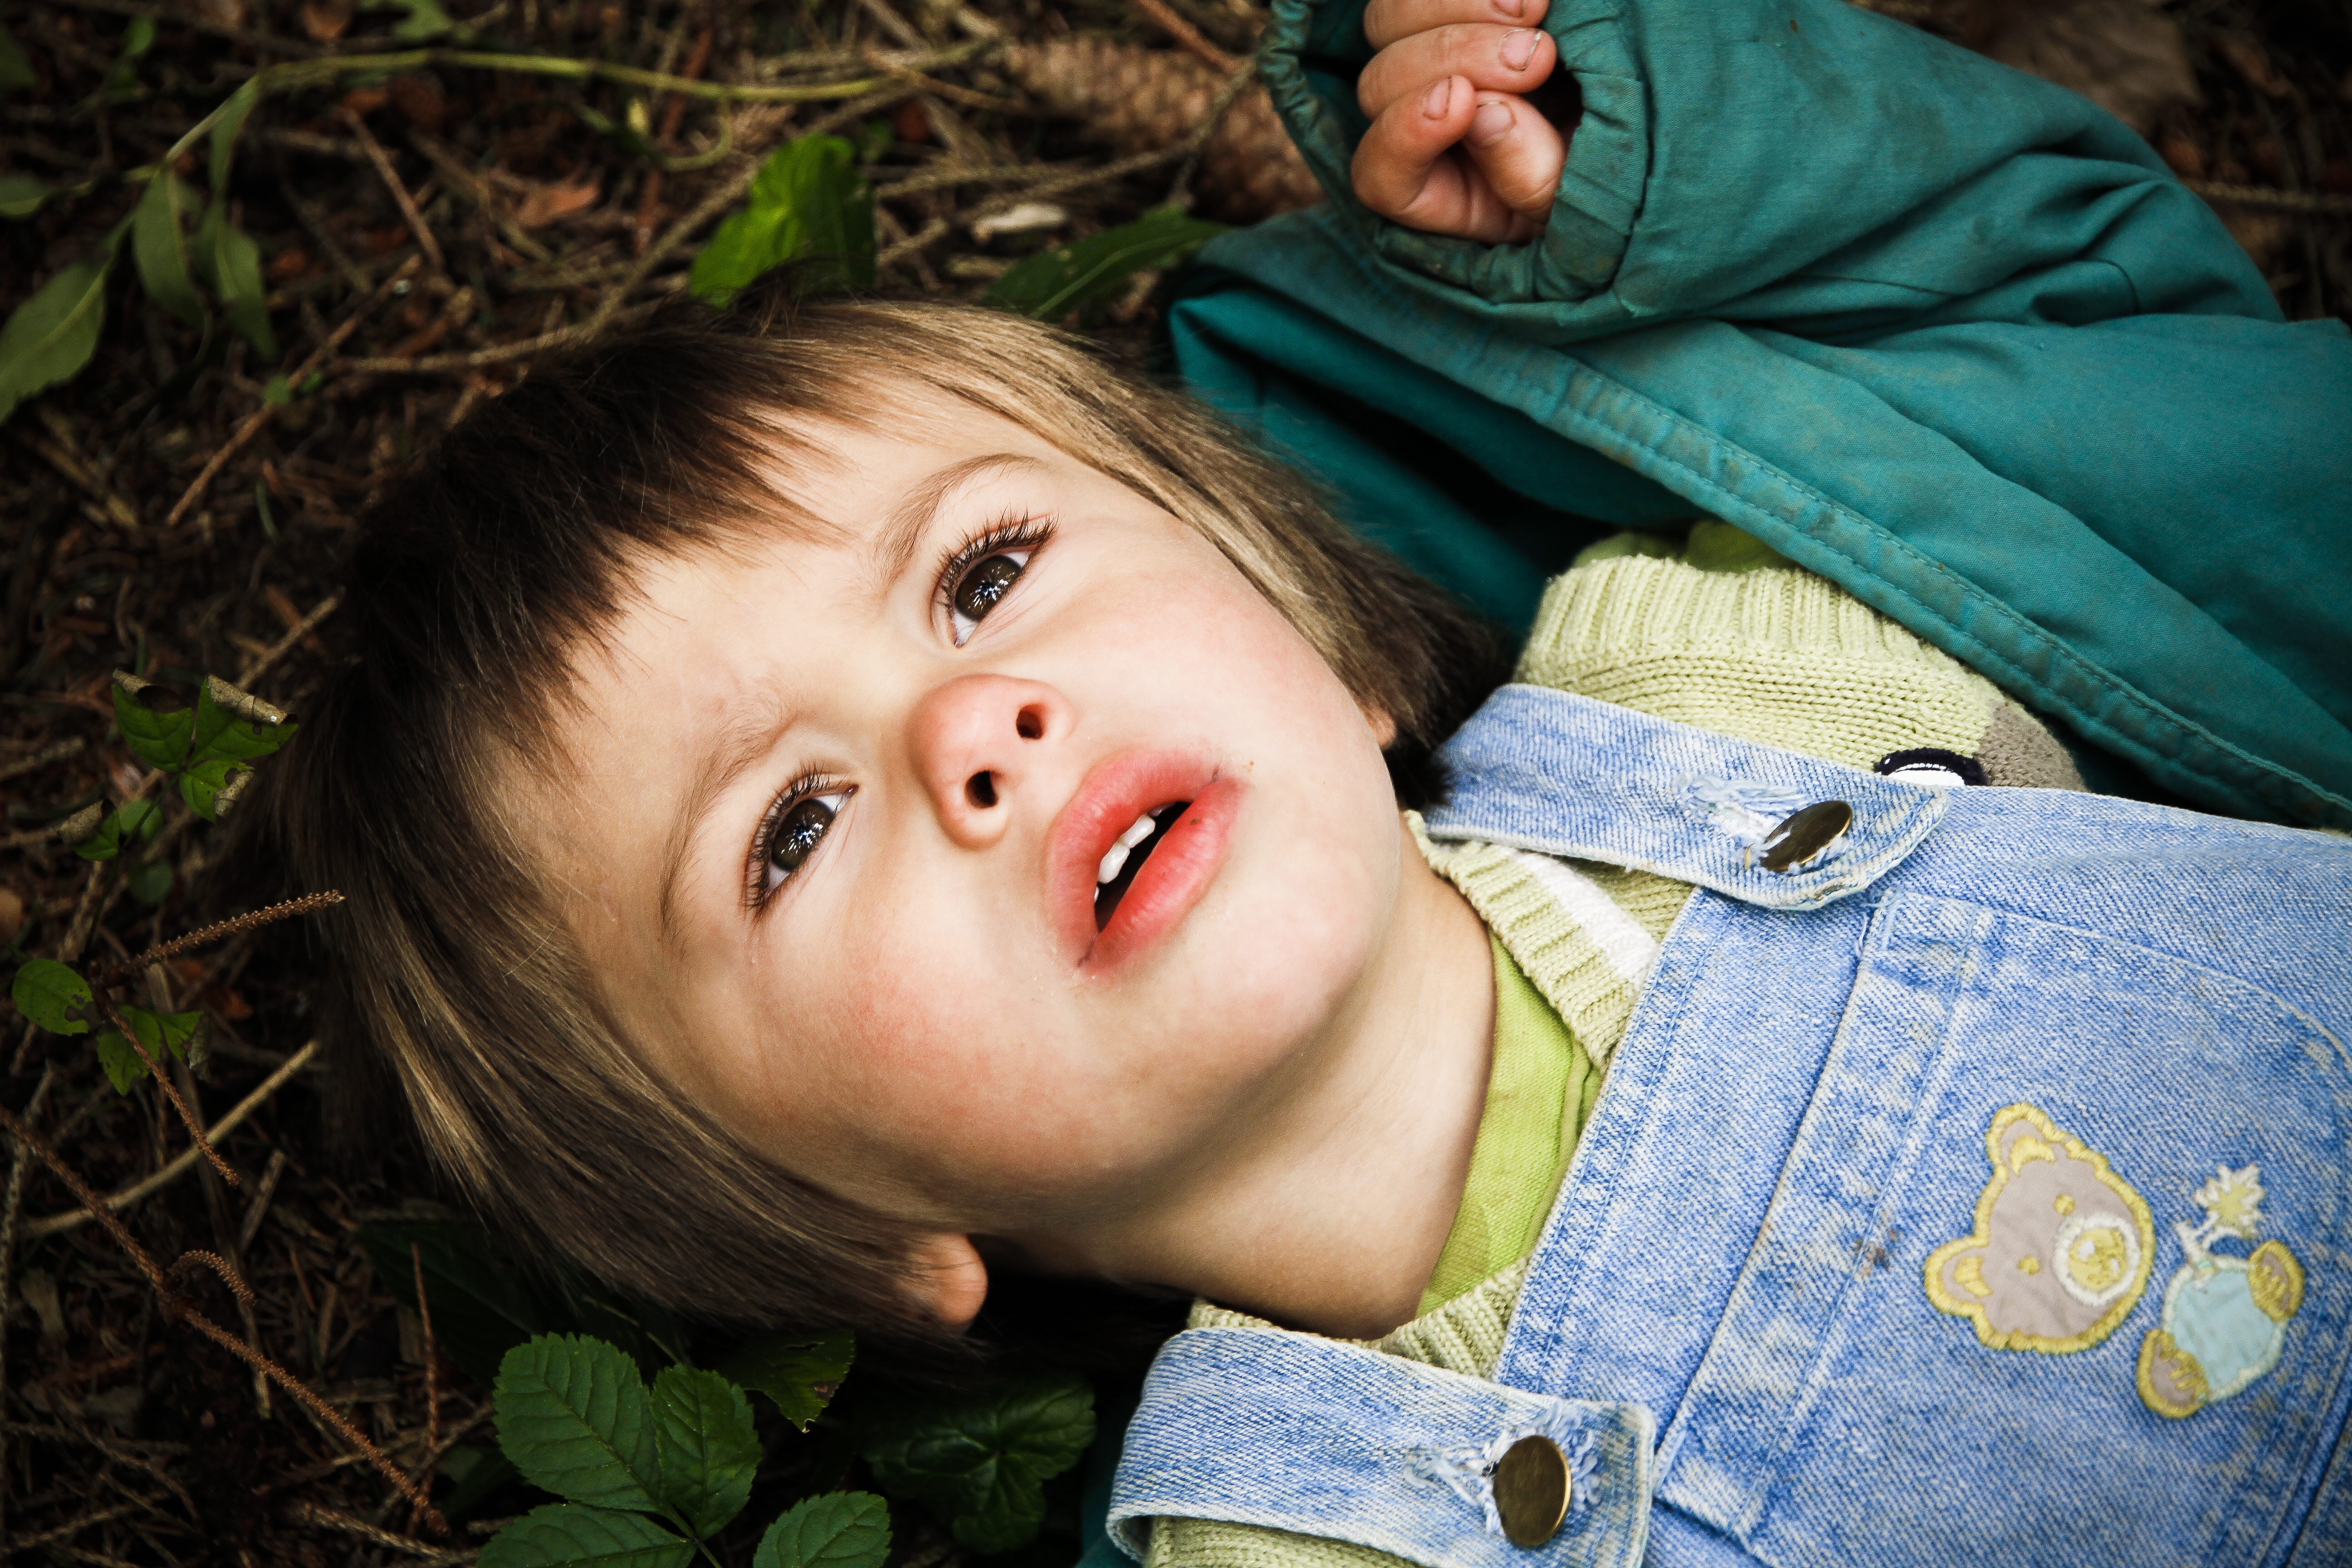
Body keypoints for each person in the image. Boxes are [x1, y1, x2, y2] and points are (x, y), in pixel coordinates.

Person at [254, 0, 2352, 1563]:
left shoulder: (1734, 657)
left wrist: (1606, 169)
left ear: (1325, 635)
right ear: (839, 1235)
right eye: (788, 831)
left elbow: (2072, 322)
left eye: (988, 572)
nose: (969, 733)